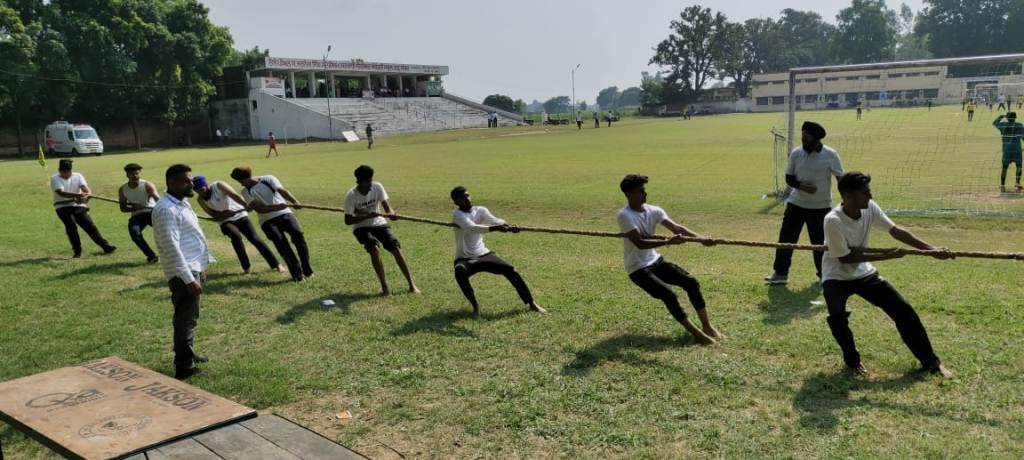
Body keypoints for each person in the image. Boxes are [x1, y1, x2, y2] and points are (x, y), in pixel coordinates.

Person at [822, 171, 953, 378]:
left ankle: (931, 362)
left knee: (903, 311)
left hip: (864, 273)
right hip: (836, 277)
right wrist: (886, 256)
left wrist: (929, 249)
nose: (870, 197)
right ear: (848, 196)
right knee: (837, 317)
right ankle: (853, 361)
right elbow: (845, 258)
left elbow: (895, 230)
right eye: (865, 193)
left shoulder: (869, 208)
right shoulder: (833, 220)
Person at [617, 174, 721, 345]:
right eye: (640, 191)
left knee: (691, 282)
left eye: (645, 190)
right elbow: (639, 243)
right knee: (669, 295)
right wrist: (667, 242)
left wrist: (701, 239)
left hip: (655, 261)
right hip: (637, 269)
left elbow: (676, 228)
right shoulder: (624, 215)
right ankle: (696, 334)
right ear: (628, 194)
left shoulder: (654, 210)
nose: (645, 194)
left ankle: (707, 327)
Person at [152, 164, 213, 380]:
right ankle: (184, 367)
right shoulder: (166, 210)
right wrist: (188, 278)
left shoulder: (181, 203)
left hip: (192, 267)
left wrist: (202, 267)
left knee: (190, 317)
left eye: (191, 179)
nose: (192, 184)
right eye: (186, 181)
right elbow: (171, 248)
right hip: (182, 273)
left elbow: (192, 237)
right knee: (185, 320)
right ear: (171, 183)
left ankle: (188, 354)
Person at [765, 121, 844, 285]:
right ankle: (780, 274)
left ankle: (824, 275)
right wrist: (802, 187)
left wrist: (846, 200)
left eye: (806, 135)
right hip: (796, 205)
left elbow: (840, 179)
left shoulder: (831, 155)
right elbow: (789, 177)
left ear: (816, 138)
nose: (803, 138)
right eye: (802, 134)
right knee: (786, 239)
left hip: (820, 208)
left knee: (820, 244)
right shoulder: (796, 153)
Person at [449, 186, 546, 318]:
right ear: (456, 202)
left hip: (483, 254)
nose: (467, 199)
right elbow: (472, 228)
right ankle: (475, 307)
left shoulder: (480, 210)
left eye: (467, 195)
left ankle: (531, 303)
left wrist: (508, 225)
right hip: (464, 258)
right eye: (462, 198)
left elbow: (496, 220)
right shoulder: (457, 215)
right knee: (459, 271)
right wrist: (496, 228)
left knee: (511, 270)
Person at [344, 165, 420, 296]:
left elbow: (387, 207)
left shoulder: (377, 186)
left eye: (371, 180)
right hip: (361, 228)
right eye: (368, 181)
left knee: (395, 247)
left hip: (379, 223)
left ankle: (411, 285)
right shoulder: (351, 195)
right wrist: (366, 216)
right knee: (374, 248)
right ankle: (385, 288)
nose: (370, 184)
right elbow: (348, 220)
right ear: (360, 181)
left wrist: (392, 214)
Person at [231, 167, 314, 282]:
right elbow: (259, 209)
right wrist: (276, 207)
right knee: (283, 246)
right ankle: (297, 275)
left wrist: (294, 201)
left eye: (241, 181)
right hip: (267, 221)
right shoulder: (245, 191)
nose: (240, 184)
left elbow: (282, 191)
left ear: (247, 177)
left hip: (285, 214)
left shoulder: (268, 178)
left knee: (298, 235)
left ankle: (307, 269)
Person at [193, 175, 284, 275]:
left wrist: (245, 205)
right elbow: (212, 214)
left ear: (206, 185)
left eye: (201, 189)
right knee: (235, 236)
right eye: (197, 191)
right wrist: (224, 213)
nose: (201, 192)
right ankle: (246, 268)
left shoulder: (219, 185)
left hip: (240, 215)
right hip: (224, 221)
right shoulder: (200, 200)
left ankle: (276, 264)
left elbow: (234, 196)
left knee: (255, 239)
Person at [51, 159, 116, 258]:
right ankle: (77, 251)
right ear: (59, 171)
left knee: (89, 225)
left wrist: (88, 194)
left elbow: (85, 188)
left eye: (68, 172)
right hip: (62, 206)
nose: (66, 174)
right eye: (64, 172)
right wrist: (79, 195)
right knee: (71, 226)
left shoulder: (78, 176)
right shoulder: (55, 178)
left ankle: (106, 246)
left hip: (78, 205)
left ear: (71, 170)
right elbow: (61, 192)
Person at [118, 163, 160, 263]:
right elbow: (122, 208)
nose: (135, 176)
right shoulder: (123, 189)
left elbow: (159, 201)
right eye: (132, 174)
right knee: (135, 234)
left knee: (165, 233)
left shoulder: (147, 185)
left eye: (137, 173)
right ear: (127, 175)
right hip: (136, 216)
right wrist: (134, 208)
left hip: (151, 212)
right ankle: (151, 256)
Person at [994, 112, 1024, 192]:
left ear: (1007, 118)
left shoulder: (1003, 125)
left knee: (1004, 167)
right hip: (1017, 149)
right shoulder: (1020, 125)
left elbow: (995, 123)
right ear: (1015, 118)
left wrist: (1001, 116)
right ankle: (1017, 183)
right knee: (1019, 166)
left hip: (1007, 149)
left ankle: (1002, 185)